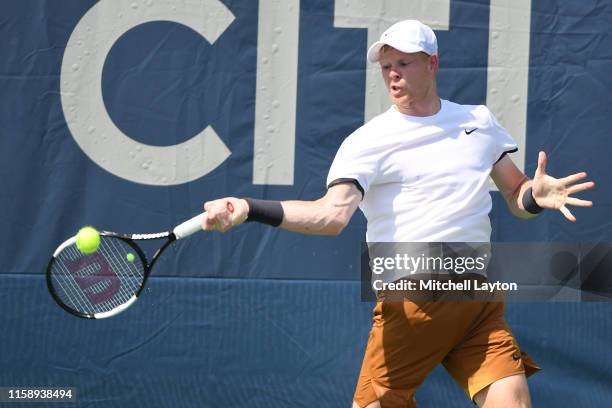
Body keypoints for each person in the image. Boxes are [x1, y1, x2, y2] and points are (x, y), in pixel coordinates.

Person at [202, 20, 595, 408]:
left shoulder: (478, 121)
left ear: (432, 64)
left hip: (476, 295)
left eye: (404, 63)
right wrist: (251, 208)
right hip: (414, 295)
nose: (392, 74)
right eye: (386, 65)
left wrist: (533, 196)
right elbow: (331, 215)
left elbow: (515, 191)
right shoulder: (369, 141)